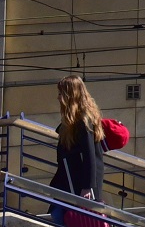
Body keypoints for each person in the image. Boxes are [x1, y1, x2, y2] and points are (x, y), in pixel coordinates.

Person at [51, 75, 105, 221]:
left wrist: (88, 187)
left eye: (61, 93)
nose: (58, 97)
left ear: (70, 95)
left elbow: (90, 156)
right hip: (69, 182)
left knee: (60, 216)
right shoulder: (73, 121)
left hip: (77, 186)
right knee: (58, 214)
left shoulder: (83, 122)